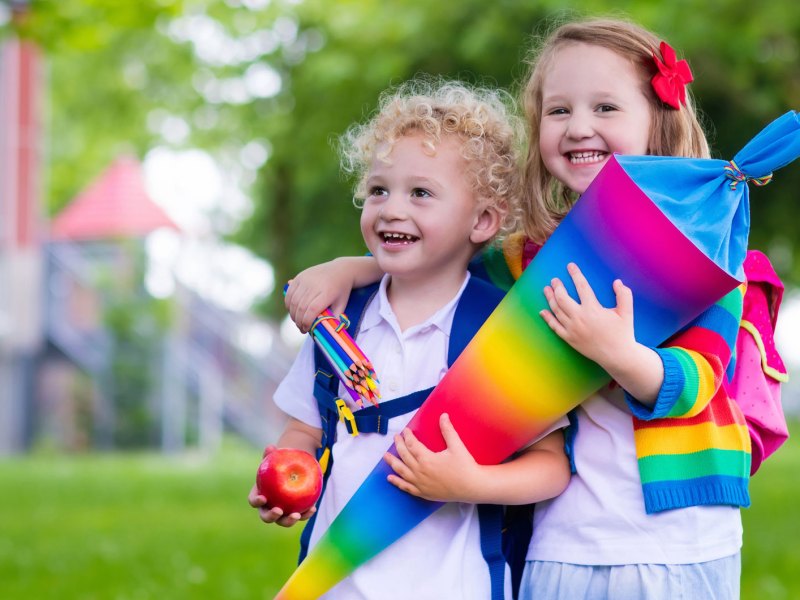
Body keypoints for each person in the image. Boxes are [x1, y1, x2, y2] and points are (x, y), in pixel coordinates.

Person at [284, 17, 750, 600]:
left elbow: (697, 383)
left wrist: (618, 353)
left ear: (660, 116)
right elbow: (439, 254)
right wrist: (348, 269)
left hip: (675, 542)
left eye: (605, 107)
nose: (579, 126)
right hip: (559, 540)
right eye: (559, 111)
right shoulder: (525, 258)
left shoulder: (705, 252)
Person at [249, 77, 571, 600]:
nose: (392, 208)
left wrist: (470, 486)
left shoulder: (501, 332)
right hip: (336, 582)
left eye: (421, 193)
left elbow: (552, 466)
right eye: (378, 190)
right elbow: (302, 430)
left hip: (454, 585)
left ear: (483, 221)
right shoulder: (340, 321)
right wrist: (290, 476)